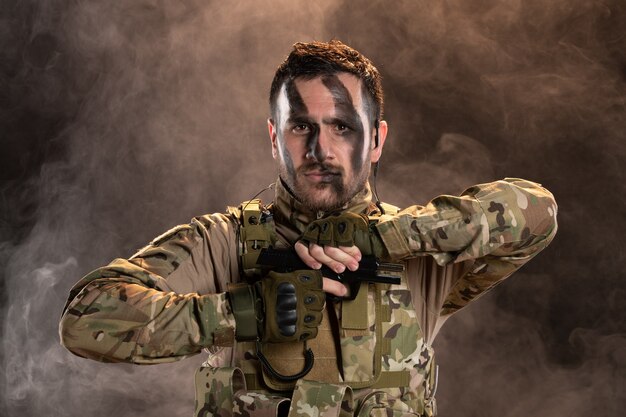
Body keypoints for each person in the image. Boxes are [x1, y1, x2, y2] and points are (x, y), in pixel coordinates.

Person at [59, 40, 558, 417]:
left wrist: (381, 238)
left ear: (377, 139)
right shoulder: (225, 242)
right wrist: (245, 311)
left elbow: (536, 213)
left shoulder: (419, 252)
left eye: (343, 126)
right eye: (302, 127)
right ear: (275, 138)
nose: (321, 149)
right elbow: (85, 318)